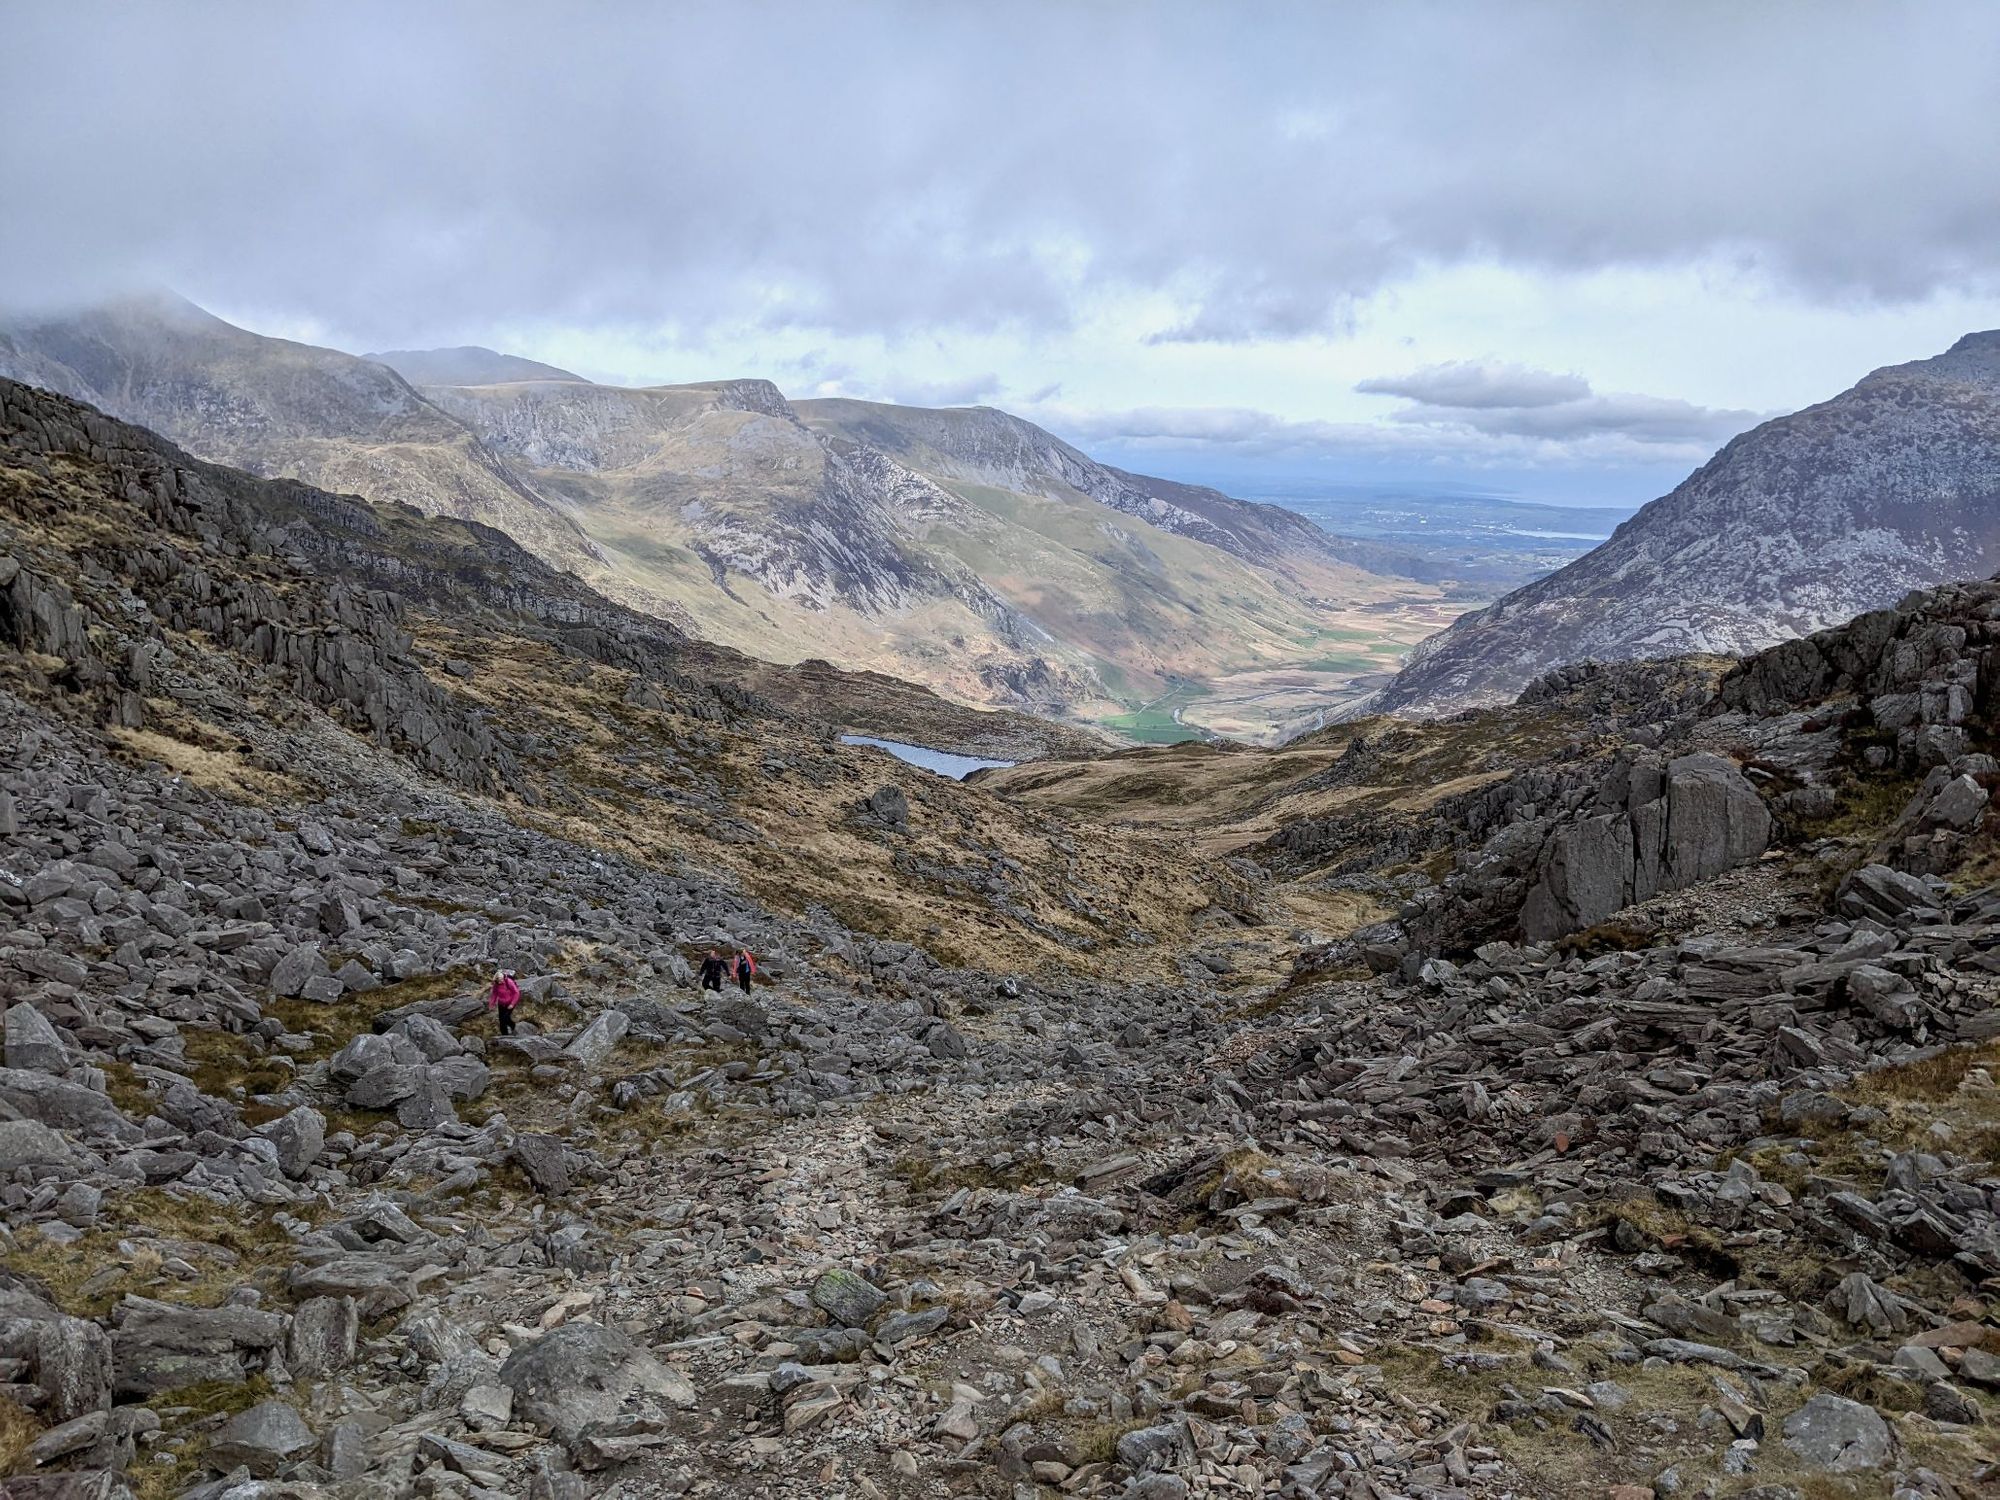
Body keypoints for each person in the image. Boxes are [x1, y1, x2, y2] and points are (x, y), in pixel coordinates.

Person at [488, 969, 521, 1035]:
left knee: (505, 1018)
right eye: (499, 980)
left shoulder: (509, 982)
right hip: (501, 1004)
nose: (500, 981)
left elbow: (516, 993)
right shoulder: (496, 985)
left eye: (501, 979)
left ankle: (513, 1026)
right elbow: (494, 994)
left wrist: (512, 1004)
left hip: (510, 1003)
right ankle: (504, 1035)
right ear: (496, 980)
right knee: (501, 1021)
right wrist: (491, 1004)